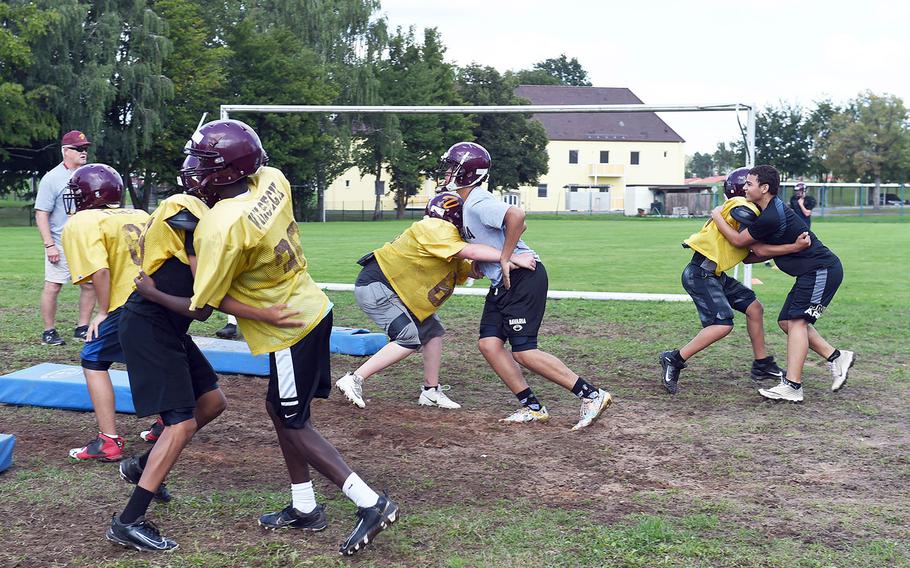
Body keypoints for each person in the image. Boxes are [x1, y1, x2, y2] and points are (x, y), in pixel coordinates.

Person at [184, 119, 398, 556]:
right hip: (313, 306)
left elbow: (204, 304)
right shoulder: (273, 178)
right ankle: (304, 507)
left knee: (292, 420)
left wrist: (183, 250)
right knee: (280, 410)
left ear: (226, 171)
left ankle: (370, 501)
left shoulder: (219, 225)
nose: (196, 170)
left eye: (205, 163)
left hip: (287, 327)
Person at [439, 141, 612, 431]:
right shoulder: (468, 204)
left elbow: (517, 217)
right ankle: (532, 407)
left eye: (450, 167)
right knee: (489, 344)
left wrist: (506, 257)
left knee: (524, 351)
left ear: (466, 173)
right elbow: (490, 241)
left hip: (523, 278)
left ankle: (592, 395)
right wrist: (484, 263)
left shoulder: (478, 201)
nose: (444, 172)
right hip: (502, 282)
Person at [107, 165, 228, 551]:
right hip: (150, 324)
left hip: (166, 326)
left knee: (211, 402)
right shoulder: (187, 215)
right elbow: (201, 309)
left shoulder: (208, 224)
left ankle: (142, 466)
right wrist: (157, 295)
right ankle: (128, 521)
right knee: (181, 424)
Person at [335, 192, 537, 410]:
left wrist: (488, 263)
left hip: (396, 291)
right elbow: (469, 251)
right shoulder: (435, 228)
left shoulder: (443, 238)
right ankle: (354, 378)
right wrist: (511, 256)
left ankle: (430, 392)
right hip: (380, 287)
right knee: (408, 338)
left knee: (433, 332)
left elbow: (468, 268)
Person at [711, 165, 855, 403]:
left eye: (749, 184)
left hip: (821, 270)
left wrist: (717, 215)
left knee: (797, 322)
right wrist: (780, 248)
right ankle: (837, 357)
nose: (744, 188)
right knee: (786, 322)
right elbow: (751, 255)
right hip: (810, 272)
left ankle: (792, 385)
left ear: (764, 188)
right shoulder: (765, 211)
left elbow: (738, 241)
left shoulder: (770, 215)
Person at [658, 167, 808, 394]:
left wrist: (780, 250)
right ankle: (674, 359)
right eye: (746, 184)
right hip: (701, 274)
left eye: (751, 184)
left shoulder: (737, 208)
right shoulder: (741, 206)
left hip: (714, 274)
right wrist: (791, 247)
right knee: (722, 324)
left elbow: (750, 256)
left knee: (754, 308)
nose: (747, 188)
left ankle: (762, 363)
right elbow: (748, 239)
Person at [60, 164, 149, 461]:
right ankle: (166, 421)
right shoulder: (139, 214)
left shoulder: (84, 220)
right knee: (150, 356)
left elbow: (99, 270)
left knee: (93, 357)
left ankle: (108, 440)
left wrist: (102, 311)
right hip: (159, 296)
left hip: (128, 301)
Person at [34, 130, 97, 345]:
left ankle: (82, 327)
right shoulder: (52, 178)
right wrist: (49, 245)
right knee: (53, 286)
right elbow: (42, 213)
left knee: (89, 286)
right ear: (65, 151)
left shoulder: (90, 174)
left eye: (85, 148)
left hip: (85, 243)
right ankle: (48, 332)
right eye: (79, 149)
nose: (84, 152)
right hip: (60, 242)